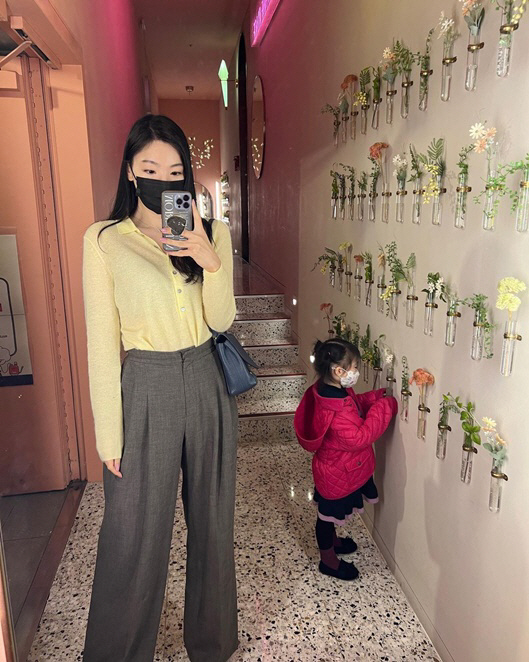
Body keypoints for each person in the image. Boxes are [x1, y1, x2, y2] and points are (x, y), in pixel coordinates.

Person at [82, 114, 239, 662]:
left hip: (206, 376)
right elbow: (102, 344)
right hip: (146, 384)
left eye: (174, 171)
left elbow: (221, 320)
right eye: (149, 168)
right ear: (130, 171)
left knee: (213, 522)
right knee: (132, 532)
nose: (161, 179)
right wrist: (109, 435)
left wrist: (209, 259)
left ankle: (213, 644)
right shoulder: (105, 241)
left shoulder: (211, 233)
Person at [294, 337, 397, 581]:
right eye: (354, 367)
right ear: (338, 371)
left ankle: (333, 543)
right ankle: (328, 561)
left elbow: (355, 405)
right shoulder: (335, 408)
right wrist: (385, 407)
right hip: (336, 472)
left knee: (328, 517)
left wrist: (374, 397)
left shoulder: (330, 390)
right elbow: (360, 437)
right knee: (325, 518)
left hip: (336, 468)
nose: (356, 372)